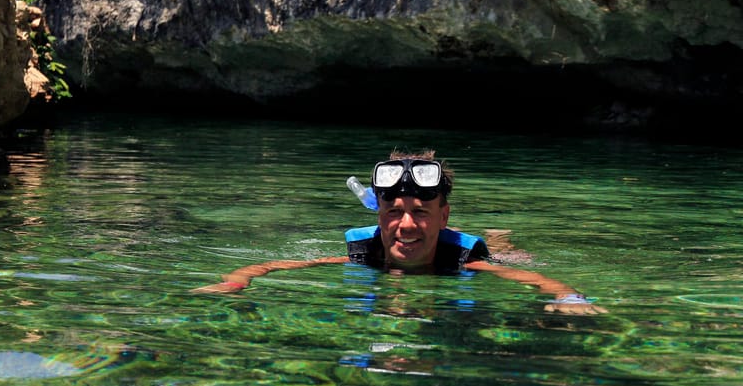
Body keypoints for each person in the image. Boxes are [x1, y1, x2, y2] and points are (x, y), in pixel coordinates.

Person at [193, 150, 607, 315]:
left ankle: (498, 236)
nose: (405, 224)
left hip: (462, 248)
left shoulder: (464, 260)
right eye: (393, 211)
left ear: (443, 215)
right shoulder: (365, 253)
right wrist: (237, 280)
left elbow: (534, 279)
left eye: (421, 212)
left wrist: (568, 296)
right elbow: (274, 265)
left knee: (506, 255)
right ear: (379, 216)